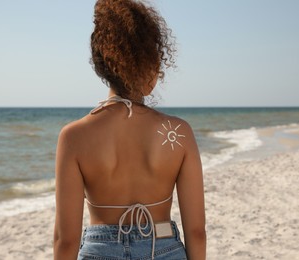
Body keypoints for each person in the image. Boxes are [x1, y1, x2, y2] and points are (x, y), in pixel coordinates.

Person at [53, 0, 206, 259]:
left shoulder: (73, 136)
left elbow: (65, 239)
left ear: (102, 65)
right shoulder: (179, 132)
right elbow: (197, 231)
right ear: (151, 65)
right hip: (164, 246)